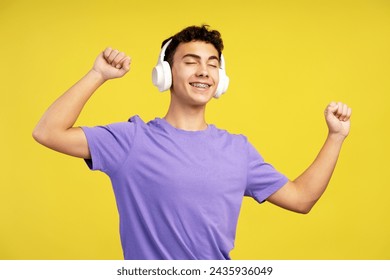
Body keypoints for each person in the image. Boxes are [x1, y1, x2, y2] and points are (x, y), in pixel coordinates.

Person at [33, 25, 352, 260]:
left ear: (221, 79)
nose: (204, 71)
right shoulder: (131, 140)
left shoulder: (237, 150)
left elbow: (301, 199)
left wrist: (336, 137)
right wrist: (97, 74)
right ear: (166, 73)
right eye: (191, 61)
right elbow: (48, 132)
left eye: (212, 63)